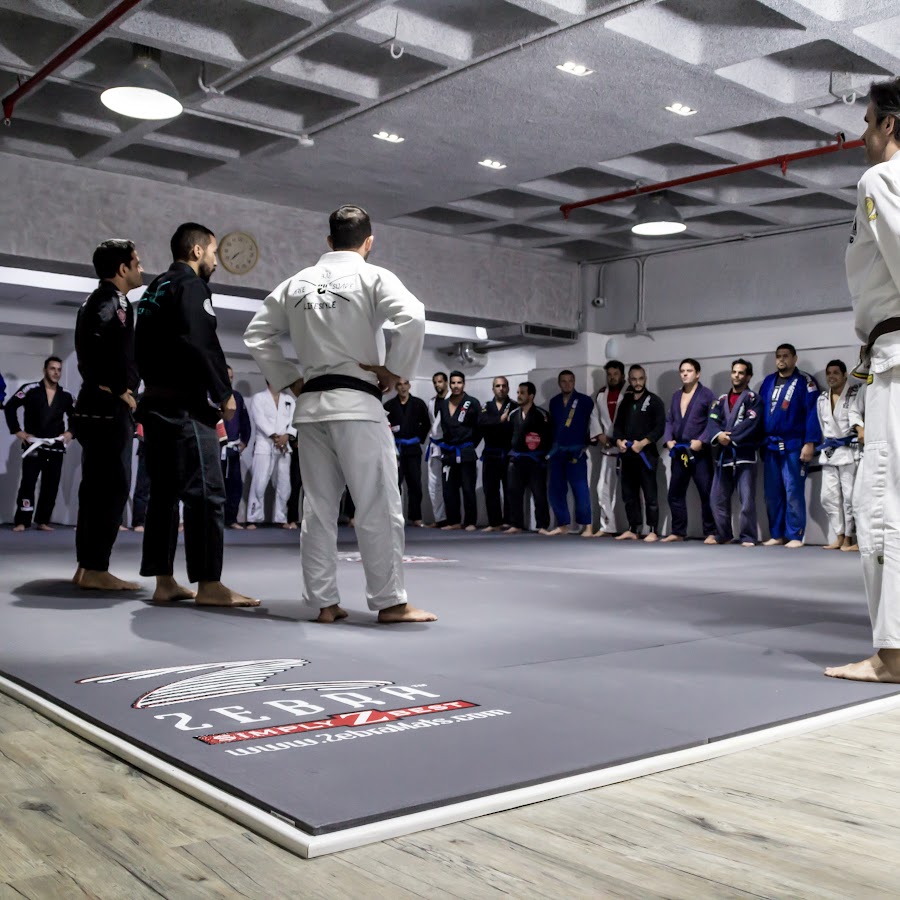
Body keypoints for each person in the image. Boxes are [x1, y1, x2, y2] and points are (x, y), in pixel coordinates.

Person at [243, 204, 434, 624]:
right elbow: (412, 316)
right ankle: (390, 602)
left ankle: (324, 603)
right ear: (369, 242)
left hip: (311, 408)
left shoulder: (295, 283)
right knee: (377, 505)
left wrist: (290, 379)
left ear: (329, 241)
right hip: (358, 406)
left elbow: (257, 334)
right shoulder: (373, 276)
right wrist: (395, 370)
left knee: (317, 509)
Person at [135, 222, 257, 607]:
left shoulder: (154, 289)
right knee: (207, 493)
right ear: (197, 251)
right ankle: (209, 584)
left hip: (155, 404)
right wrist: (223, 392)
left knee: (164, 495)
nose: (216, 262)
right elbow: (201, 341)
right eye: (214, 252)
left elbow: (140, 348)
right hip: (185, 408)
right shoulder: (191, 285)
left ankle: (164, 581)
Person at [827, 77, 900, 682]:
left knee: (881, 500)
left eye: (869, 121)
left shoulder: (882, 179)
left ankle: (893, 655)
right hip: (888, 350)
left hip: (898, 362)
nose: (863, 134)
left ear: (890, 126)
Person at [72, 239, 143, 589]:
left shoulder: (95, 300)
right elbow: (99, 346)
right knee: (112, 489)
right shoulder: (115, 302)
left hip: (94, 406)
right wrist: (120, 390)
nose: (141, 269)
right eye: (137, 263)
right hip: (107, 408)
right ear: (122, 269)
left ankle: (87, 567)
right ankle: (96, 568)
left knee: (95, 488)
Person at [760, 343, 821, 548]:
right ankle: (776, 534)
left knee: (793, 490)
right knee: (772, 493)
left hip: (794, 444)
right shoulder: (768, 381)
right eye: (778, 356)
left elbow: (813, 413)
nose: (781, 359)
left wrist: (810, 442)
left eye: (786, 356)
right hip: (770, 444)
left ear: (795, 358)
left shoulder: (805, 382)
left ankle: (795, 534)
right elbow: (760, 412)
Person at [5, 356, 74, 531]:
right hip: (34, 444)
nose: (56, 372)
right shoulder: (30, 389)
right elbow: (10, 406)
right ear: (45, 370)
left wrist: (70, 433)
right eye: (52, 369)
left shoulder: (66, 395)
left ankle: (43, 520)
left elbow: (77, 416)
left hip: (55, 446)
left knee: (51, 484)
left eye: (59, 369)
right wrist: (18, 431)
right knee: (28, 483)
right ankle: (22, 521)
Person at [706, 359, 763, 546]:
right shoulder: (721, 400)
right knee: (716, 499)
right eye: (734, 372)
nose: (737, 376)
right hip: (724, 456)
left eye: (741, 373)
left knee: (746, 500)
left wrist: (729, 437)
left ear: (748, 376)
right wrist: (719, 435)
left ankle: (748, 536)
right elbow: (712, 421)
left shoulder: (753, 399)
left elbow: (751, 423)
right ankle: (723, 534)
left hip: (744, 454)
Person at [662, 358, 717, 543]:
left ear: (698, 374)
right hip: (680, 451)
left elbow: (713, 421)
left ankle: (711, 532)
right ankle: (678, 531)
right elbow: (669, 420)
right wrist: (668, 440)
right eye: (682, 371)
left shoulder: (707, 395)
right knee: (675, 493)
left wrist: (702, 440)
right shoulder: (676, 396)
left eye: (689, 370)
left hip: (699, 452)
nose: (685, 374)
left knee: (706, 492)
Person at [613, 365, 665, 542]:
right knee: (629, 495)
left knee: (650, 495)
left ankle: (652, 530)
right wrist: (619, 441)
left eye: (640, 378)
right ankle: (633, 528)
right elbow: (617, 426)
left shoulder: (654, 401)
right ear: (629, 380)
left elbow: (660, 428)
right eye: (634, 379)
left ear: (645, 379)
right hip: (628, 456)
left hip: (646, 455)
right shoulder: (625, 402)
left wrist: (643, 443)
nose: (637, 382)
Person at [546, 370, 600, 535]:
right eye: (564, 381)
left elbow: (594, 423)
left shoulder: (584, 401)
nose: (567, 384)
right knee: (556, 488)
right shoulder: (554, 402)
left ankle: (587, 525)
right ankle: (563, 524)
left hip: (576, 451)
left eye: (570, 381)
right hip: (558, 451)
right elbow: (552, 427)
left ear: (574, 382)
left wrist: (589, 442)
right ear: (559, 383)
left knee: (580, 488)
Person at [817, 360, 863, 551]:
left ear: (845, 375)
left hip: (849, 451)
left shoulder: (855, 393)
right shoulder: (822, 399)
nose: (831, 376)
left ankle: (850, 538)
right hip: (830, 451)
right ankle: (839, 535)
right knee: (827, 497)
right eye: (829, 373)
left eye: (836, 372)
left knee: (851, 497)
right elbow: (823, 426)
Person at [584, 360, 627, 538]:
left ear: (622, 375)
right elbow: (594, 417)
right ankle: (607, 526)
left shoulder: (630, 392)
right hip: (608, 448)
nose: (612, 377)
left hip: (627, 448)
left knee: (632, 491)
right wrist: (600, 435)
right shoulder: (601, 394)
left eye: (616, 374)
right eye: (609, 374)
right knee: (603, 488)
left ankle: (639, 528)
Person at [246, 382, 296, 528]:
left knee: (284, 484)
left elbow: (294, 421)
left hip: (284, 446)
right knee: (259, 482)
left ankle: (281, 517)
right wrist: (275, 436)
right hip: (265, 444)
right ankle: (253, 518)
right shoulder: (259, 398)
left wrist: (287, 436)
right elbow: (259, 420)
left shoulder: (289, 400)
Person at [506, 381, 552, 534]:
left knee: (539, 493)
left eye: (522, 393)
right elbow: (508, 436)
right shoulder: (513, 415)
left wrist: (544, 456)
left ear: (531, 396)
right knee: (513, 492)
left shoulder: (542, 415)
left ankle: (542, 525)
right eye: (518, 392)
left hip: (535, 460)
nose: (519, 396)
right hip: (516, 459)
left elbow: (548, 438)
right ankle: (516, 523)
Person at [437, 370, 481, 531]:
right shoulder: (443, 404)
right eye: (453, 383)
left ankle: (470, 522)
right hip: (449, 451)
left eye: (459, 383)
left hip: (466, 451)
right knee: (449, 489)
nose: (456, 386)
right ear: (449, 384)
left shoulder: (472, 402)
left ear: (464, 384)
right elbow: (443, 427)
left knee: (468, 488)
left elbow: (479, 428)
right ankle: (453, 520)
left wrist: (470, 445)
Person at [384, 378, 430, 526]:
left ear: (409, 386)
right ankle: (394, 517)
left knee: (415, 484)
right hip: (395, 450)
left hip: (412, 448)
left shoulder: (418, 404)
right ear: (395, 387)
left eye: (405, 384)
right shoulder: (389, 406)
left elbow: (426, 423)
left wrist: (419, 438)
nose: (403, 387)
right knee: (394, 485)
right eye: (399, 384)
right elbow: (385, 427)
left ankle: (416, 517)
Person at [479, 376, 516, 531]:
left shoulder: (514, 406)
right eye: (498, 386)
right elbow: (481, 422)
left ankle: (509, 521)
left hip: (508, 453)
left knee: (510, 489)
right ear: (493, 388)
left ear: (508, 388)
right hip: (490, 454)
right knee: (490, 489)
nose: (501, 388)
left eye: (504, 386)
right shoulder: (486, 407)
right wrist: (499, 420)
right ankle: (494, 522)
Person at [222, 366, 251, 529]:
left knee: (235, 485)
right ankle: (214, 518)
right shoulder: (211, 395)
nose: (230, 379)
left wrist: (244, 441)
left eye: (232, 377)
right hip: (216, 448)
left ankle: (231, 519)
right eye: (227, 376)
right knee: (215, 485)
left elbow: (245, 421)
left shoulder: (237, 397)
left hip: (232, 448)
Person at [426, 371, 449, 526]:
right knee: (433, 484)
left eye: (440, 381)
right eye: (435, 382)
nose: (437, 385)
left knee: (449, 485)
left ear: (446, 382)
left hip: (448, 446)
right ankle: (440, 519)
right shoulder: (431, 402)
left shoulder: (453, 400)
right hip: (434, 446)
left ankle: (452, 518)